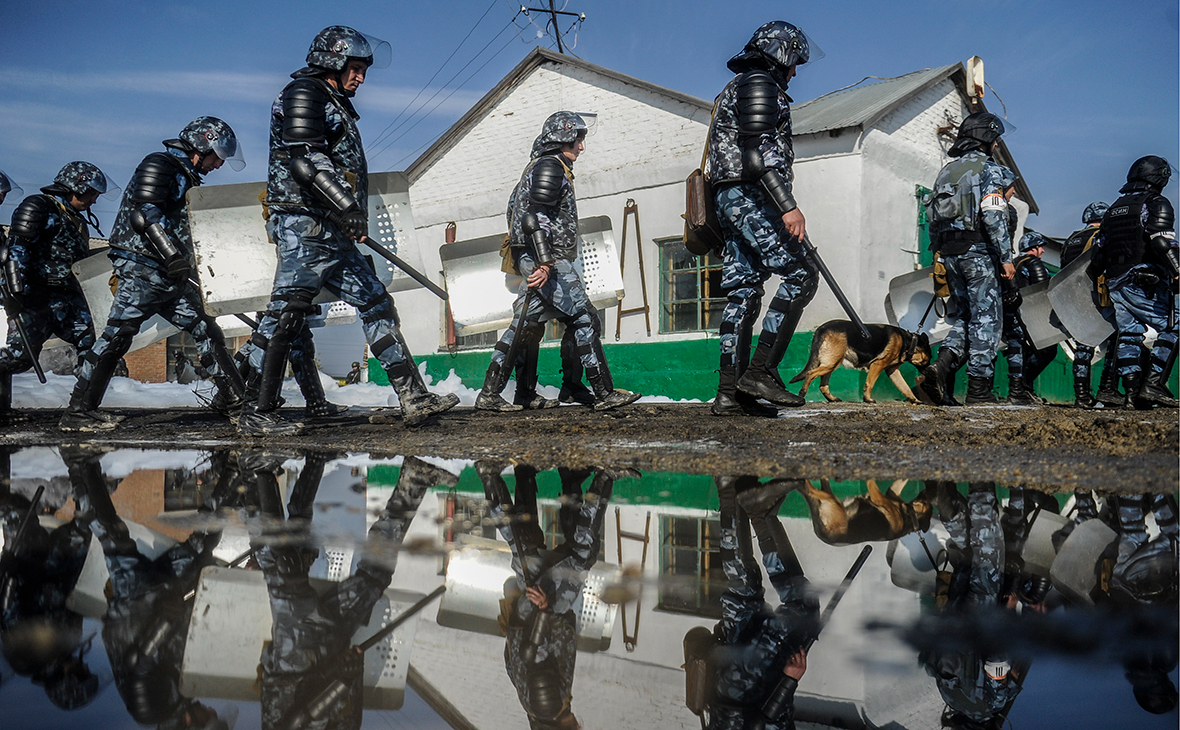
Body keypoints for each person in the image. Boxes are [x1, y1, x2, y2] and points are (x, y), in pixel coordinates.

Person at [239, 26, 458, 435]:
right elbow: (304, 161)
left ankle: (413, 397)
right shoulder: (304, 93)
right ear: (332, 62)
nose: (360, 77)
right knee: (287, 316)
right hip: (305, 227)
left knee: (377, 302)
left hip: (332, 230)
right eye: (354, 68)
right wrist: (346, 205)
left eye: (363, 70)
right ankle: (256, 410)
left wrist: (345, 214)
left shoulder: (332, 100)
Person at [59, 118, 248, 432]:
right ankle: (78, 412)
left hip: (168, 274)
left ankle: (237, 405)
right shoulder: (159, 164)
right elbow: (143, 213)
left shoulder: (186, 175)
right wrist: (172, 255)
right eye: (216, 155)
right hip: (142, 267)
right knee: (117, 336)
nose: (218, 164)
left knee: (205, 328)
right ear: (202, 145)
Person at [474, 111, 639, 413]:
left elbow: (515, 208)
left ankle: (504, 393)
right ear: (563, 137)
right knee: (583, 317)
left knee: (525, 325)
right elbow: (533, 217)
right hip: (546, 259)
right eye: (578, 140)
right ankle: (602, 392)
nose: (582, 147)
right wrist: (545, 263)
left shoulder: (540, 167)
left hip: (537, 257)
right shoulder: (550, 166)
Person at [707, 21, 822, 416]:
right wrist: (788, 205)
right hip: (748, 195)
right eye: (794, 63)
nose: (794, 72)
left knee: (744, 290)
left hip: (732, 197)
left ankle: (729, 393)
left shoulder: (739, 85)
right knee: (802, 272)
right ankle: (761, 371)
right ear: (781, 54)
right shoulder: (759, 83)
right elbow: (757, 154)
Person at [476, 461, 621, 730]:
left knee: (580, 554)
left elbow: (533, 654)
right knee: (527, 540)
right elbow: (513, 663)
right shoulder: (534, 708)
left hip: (545, 610)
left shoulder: (548, 707)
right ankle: (530, 474)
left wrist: (542, 611)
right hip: (534, 612)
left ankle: (605, 477)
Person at [1, 162, 113, 425]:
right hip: (34, 298)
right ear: (76, 185)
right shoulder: (38, 206)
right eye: (91, 193)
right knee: (18, 358)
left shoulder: (73, 217)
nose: (94, 200)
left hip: (68, 298)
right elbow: (16, 250)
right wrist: (16, 293)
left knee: (95, 346)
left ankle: (83, 410)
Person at [918, 113, 1018, 406]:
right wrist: (1006, 257)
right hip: (979, 254)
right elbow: (993, 215)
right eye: (995, 138)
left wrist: (938, 251)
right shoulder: (990, 170)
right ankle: (978, 390)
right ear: (986, 139)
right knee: (987, 319)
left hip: (949, 255)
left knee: (964, 316)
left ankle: (942, 364)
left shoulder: (946, 172)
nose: (998, 144)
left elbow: (932, 217)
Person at [1087, 155, 1178, 409]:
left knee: (1129, 335)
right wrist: (1178, 272)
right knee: (1175, 325)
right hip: (1144, 279)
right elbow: (1162, 241)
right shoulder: (1156, 202)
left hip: (1115, 282)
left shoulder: (1113, 209)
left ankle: (1129, 393)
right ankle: (1153, 385)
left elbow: (1098, 255)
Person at [1060, 202, 1119, 407]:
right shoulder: (1102, 236)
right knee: (1116, 342)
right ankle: (1107, 389)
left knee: (1083, 347)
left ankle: (1082, 397)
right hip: (1098, 296)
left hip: (1074, 298)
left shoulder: (1071, 239)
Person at [1002, 230, 1056, 404]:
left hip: (1010, 315)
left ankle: (1025, 390)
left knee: (1021, 352)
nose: (1043, 251)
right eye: (1041, 247)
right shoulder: (1034, 263)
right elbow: (1043, 289)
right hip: (1029, 318)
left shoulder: (1013, 264)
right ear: (1033, 248)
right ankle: (1024, 386)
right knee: (1048, 350)